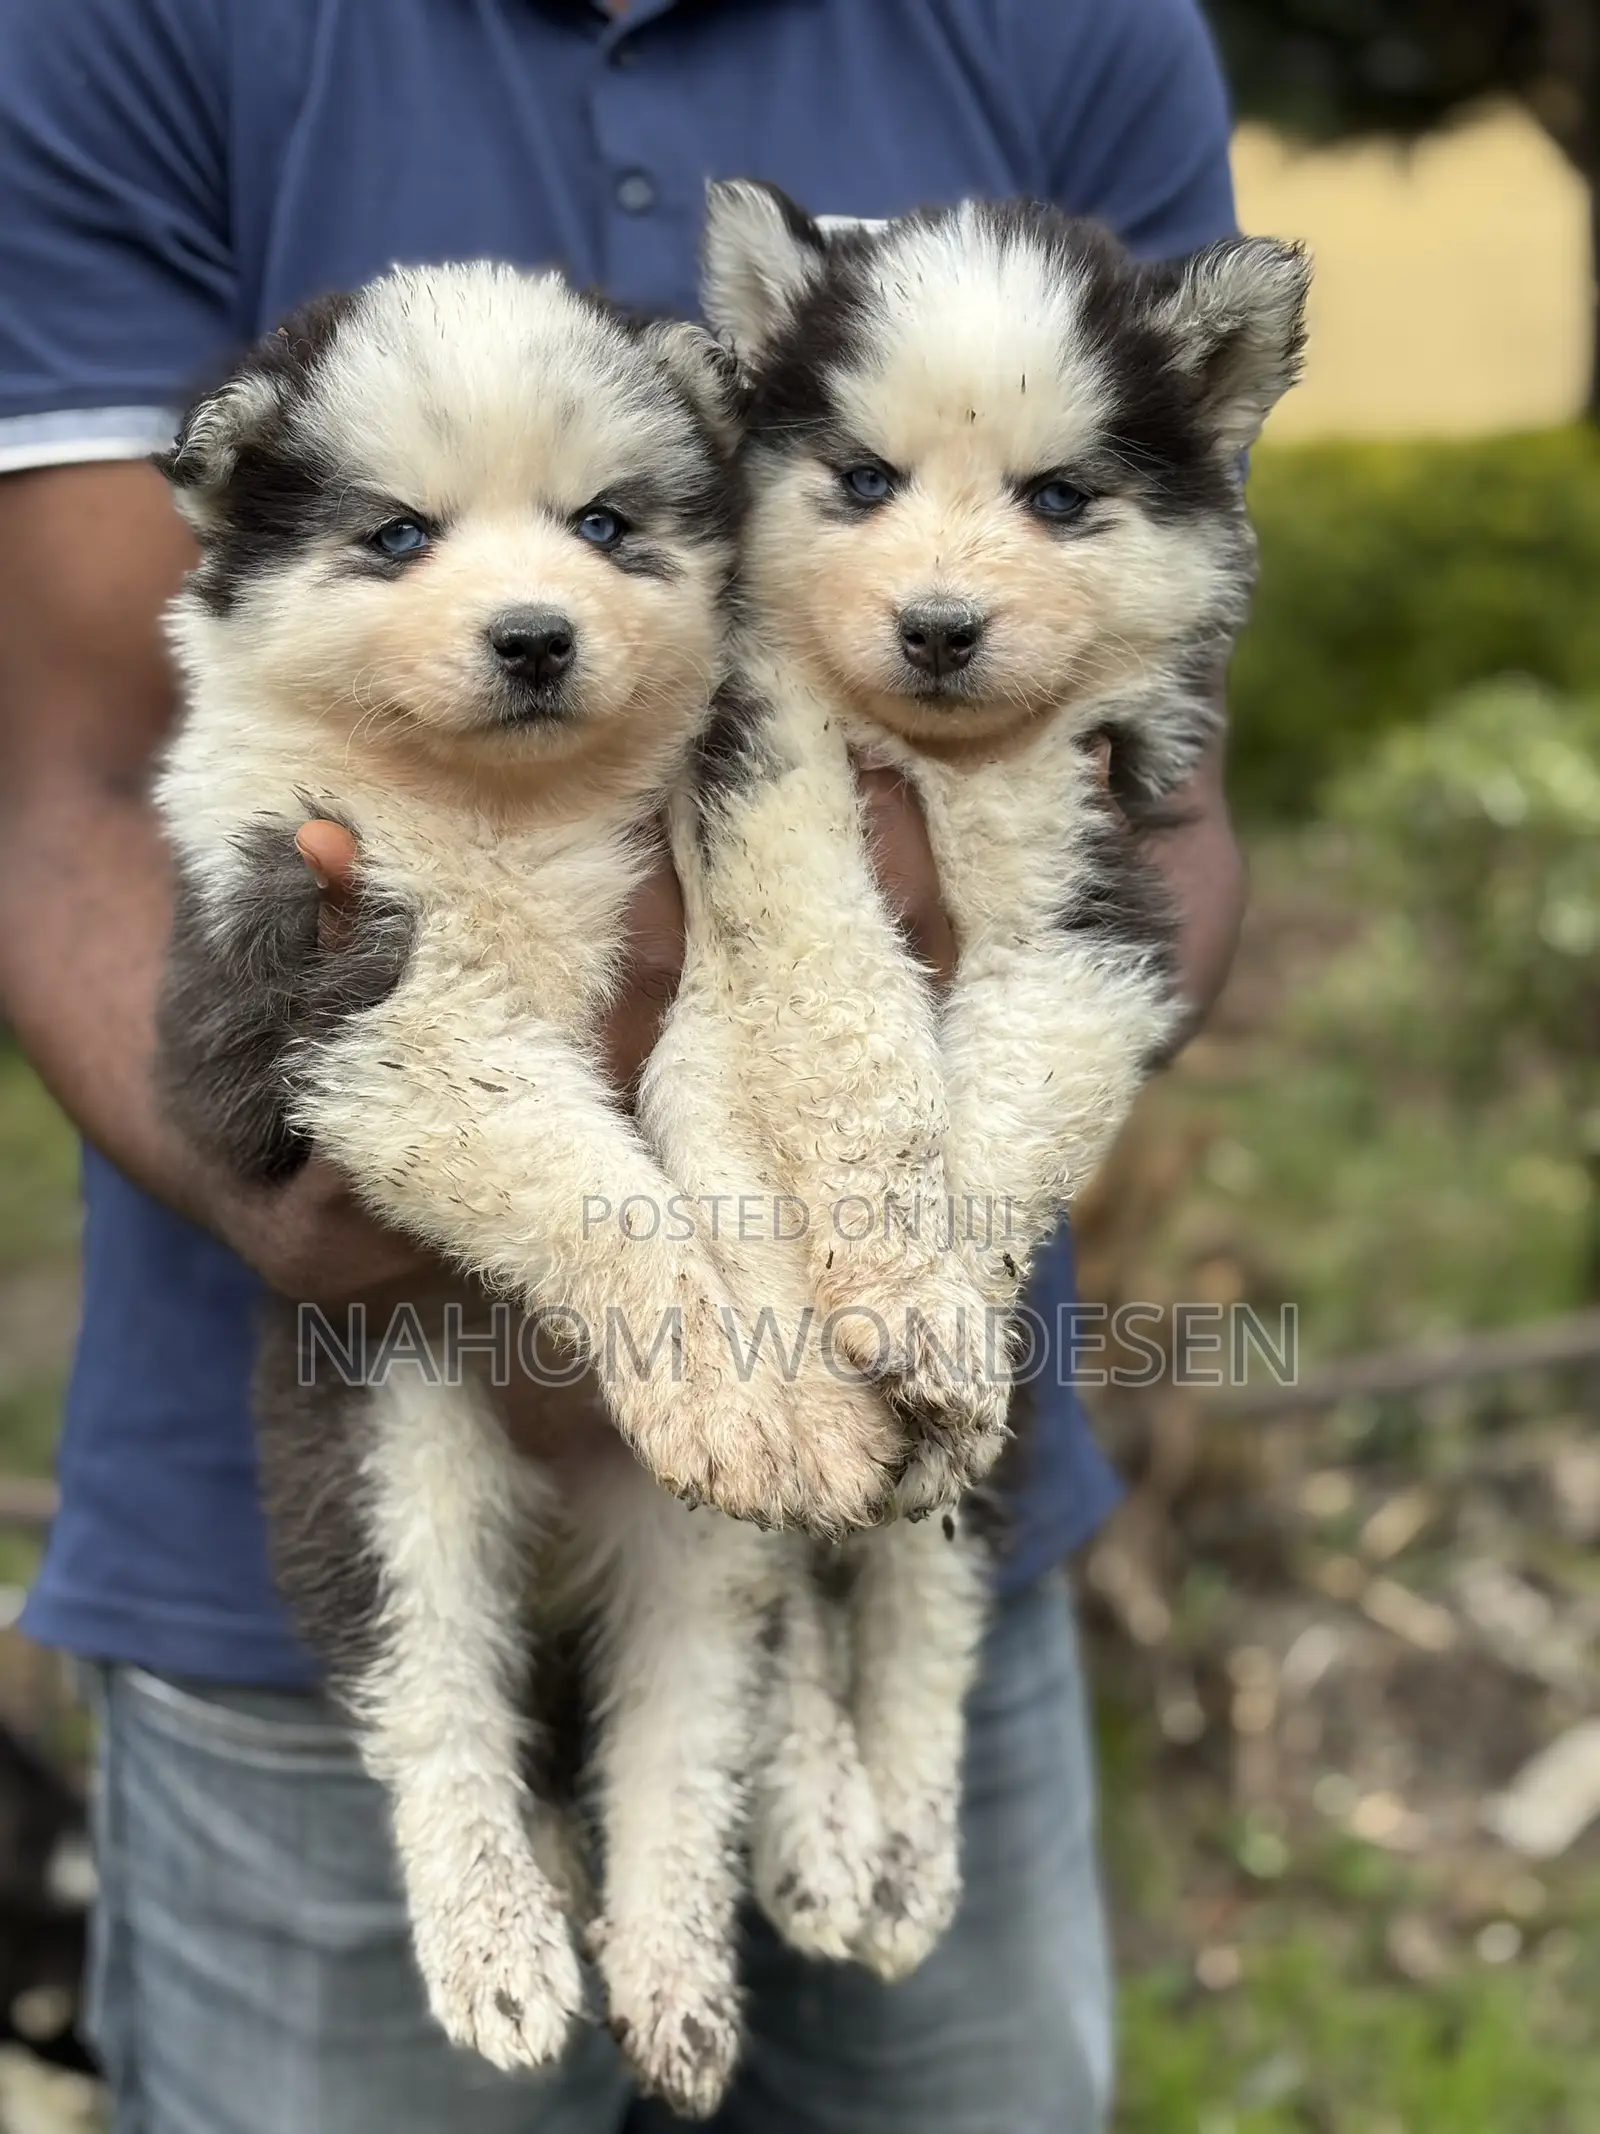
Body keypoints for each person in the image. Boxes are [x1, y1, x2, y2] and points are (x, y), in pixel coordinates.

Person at [0, 2, 1248, 2127]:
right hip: (295, 1498)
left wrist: (929, 1175)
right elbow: (73, 777)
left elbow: (1161, 771)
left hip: (903, 1440)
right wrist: (298, 1169)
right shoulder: (126, 27)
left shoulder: (1076, 26)